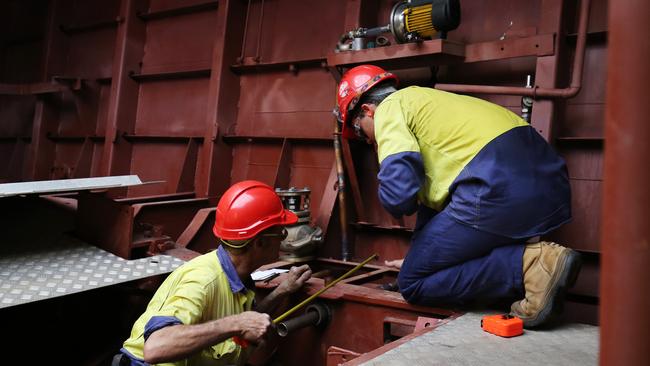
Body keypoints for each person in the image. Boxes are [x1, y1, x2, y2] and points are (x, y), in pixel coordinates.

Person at [334, 64, 582, 328]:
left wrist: (415, 270)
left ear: (366, 111)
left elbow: (399, 195)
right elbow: (434, 214)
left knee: (413, 283)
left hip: (496, 186)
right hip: (547, 185)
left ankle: (532, 264)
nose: (369, 142)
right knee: (419, 270)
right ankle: (531, 269)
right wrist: (420, 259)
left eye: (361, 133)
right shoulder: (430, 103)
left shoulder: (390, 107)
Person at [117, 180, 312, 365]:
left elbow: (249, 321)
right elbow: (156, 347)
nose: (283, 239)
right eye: (281, 233)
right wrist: (236, 323)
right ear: (260, 242)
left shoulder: (237, 276)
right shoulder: (204, 280)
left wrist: (282, 291)